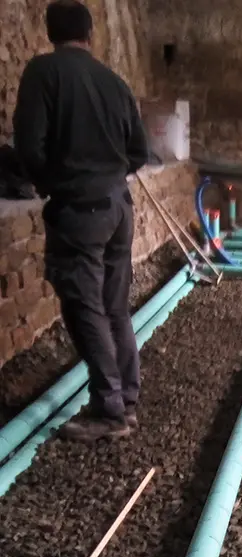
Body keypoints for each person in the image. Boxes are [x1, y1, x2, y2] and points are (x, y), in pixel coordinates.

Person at [13, 0, 150, 442]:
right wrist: (107, 174)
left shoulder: (43, 73)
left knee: (85, 307)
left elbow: (29, 146)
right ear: (90, 35)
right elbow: (140, 153)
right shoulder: (115, 82)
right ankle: (126, 398)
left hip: (80, 209)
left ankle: (109, 410)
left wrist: (56, 182)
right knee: (114, 306)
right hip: (118, 207)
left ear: (50, 32)